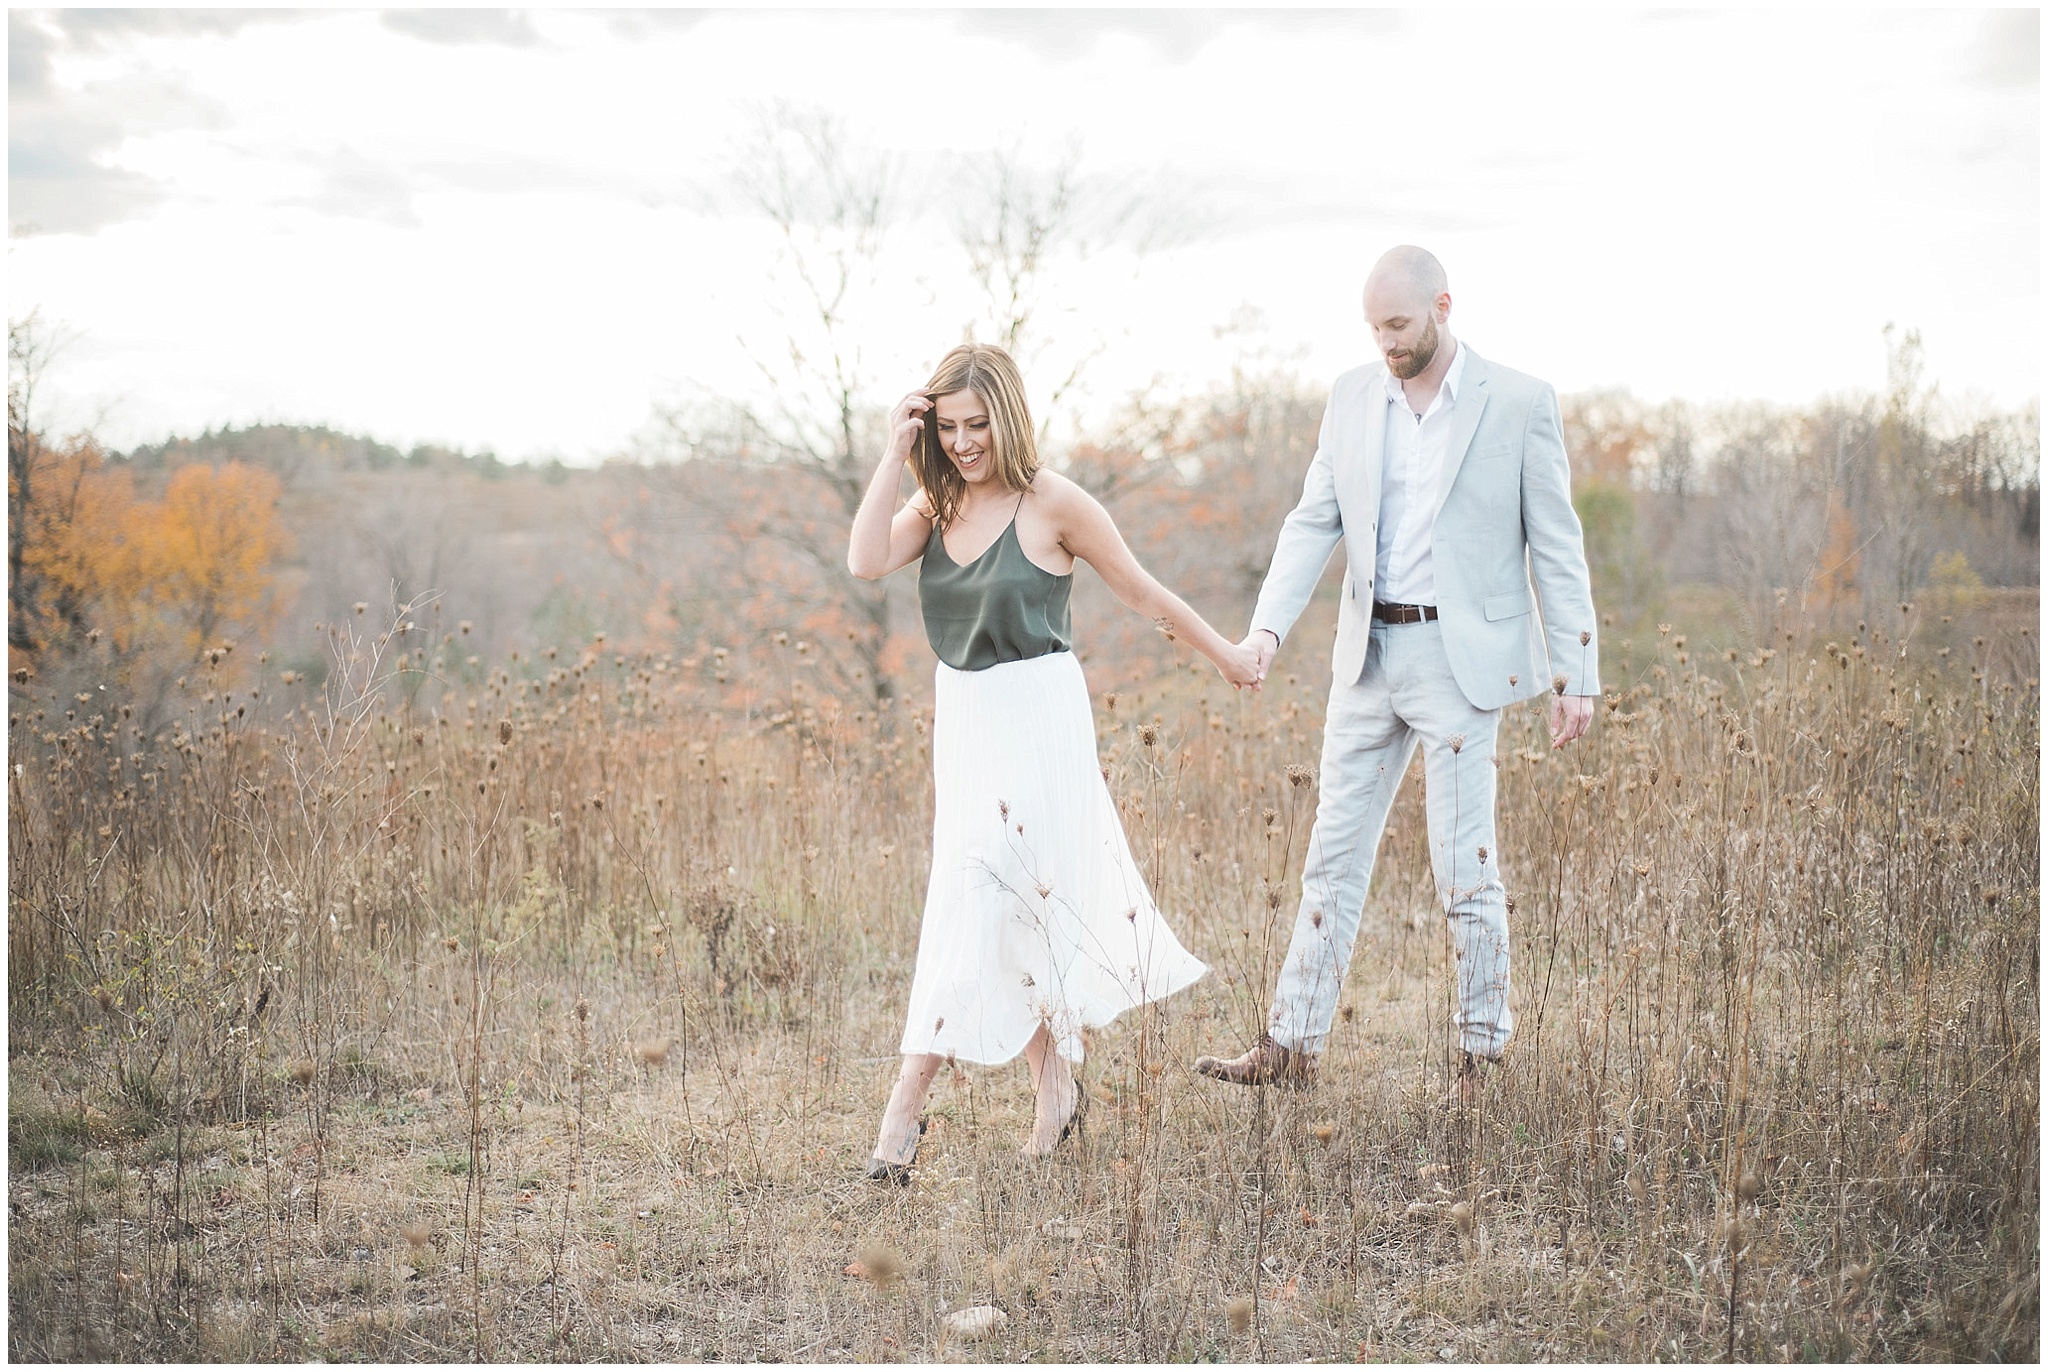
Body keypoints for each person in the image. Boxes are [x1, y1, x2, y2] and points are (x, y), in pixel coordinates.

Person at [1193, 246, 1599, 1097]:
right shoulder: (1350, 398)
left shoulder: (1519, 403)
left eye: (1399, 325)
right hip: (1367, 657)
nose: (1385, 342)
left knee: (1465, 865)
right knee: (1330, 858)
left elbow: (1557, 545)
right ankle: (1290, 1047)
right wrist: (1266, 630)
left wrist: (1579, 673)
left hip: (1461, 664)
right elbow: (1312, 524)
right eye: (1373, 327)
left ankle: (1482, 1056)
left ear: (1443, 307)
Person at [848, 343, 1260, 1180]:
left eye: (979, 424)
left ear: (1010, 415)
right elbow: (863, 560)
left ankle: (903, 1109)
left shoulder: (1053, 503)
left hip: (1039, 716)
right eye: (950, 426)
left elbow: (1143, 592)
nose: (965, 442)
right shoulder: (934, 503)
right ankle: (1057, 1088)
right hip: (965, 720)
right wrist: (894, 454)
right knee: (996, 902)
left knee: (989, 889)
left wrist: (1229, 656)